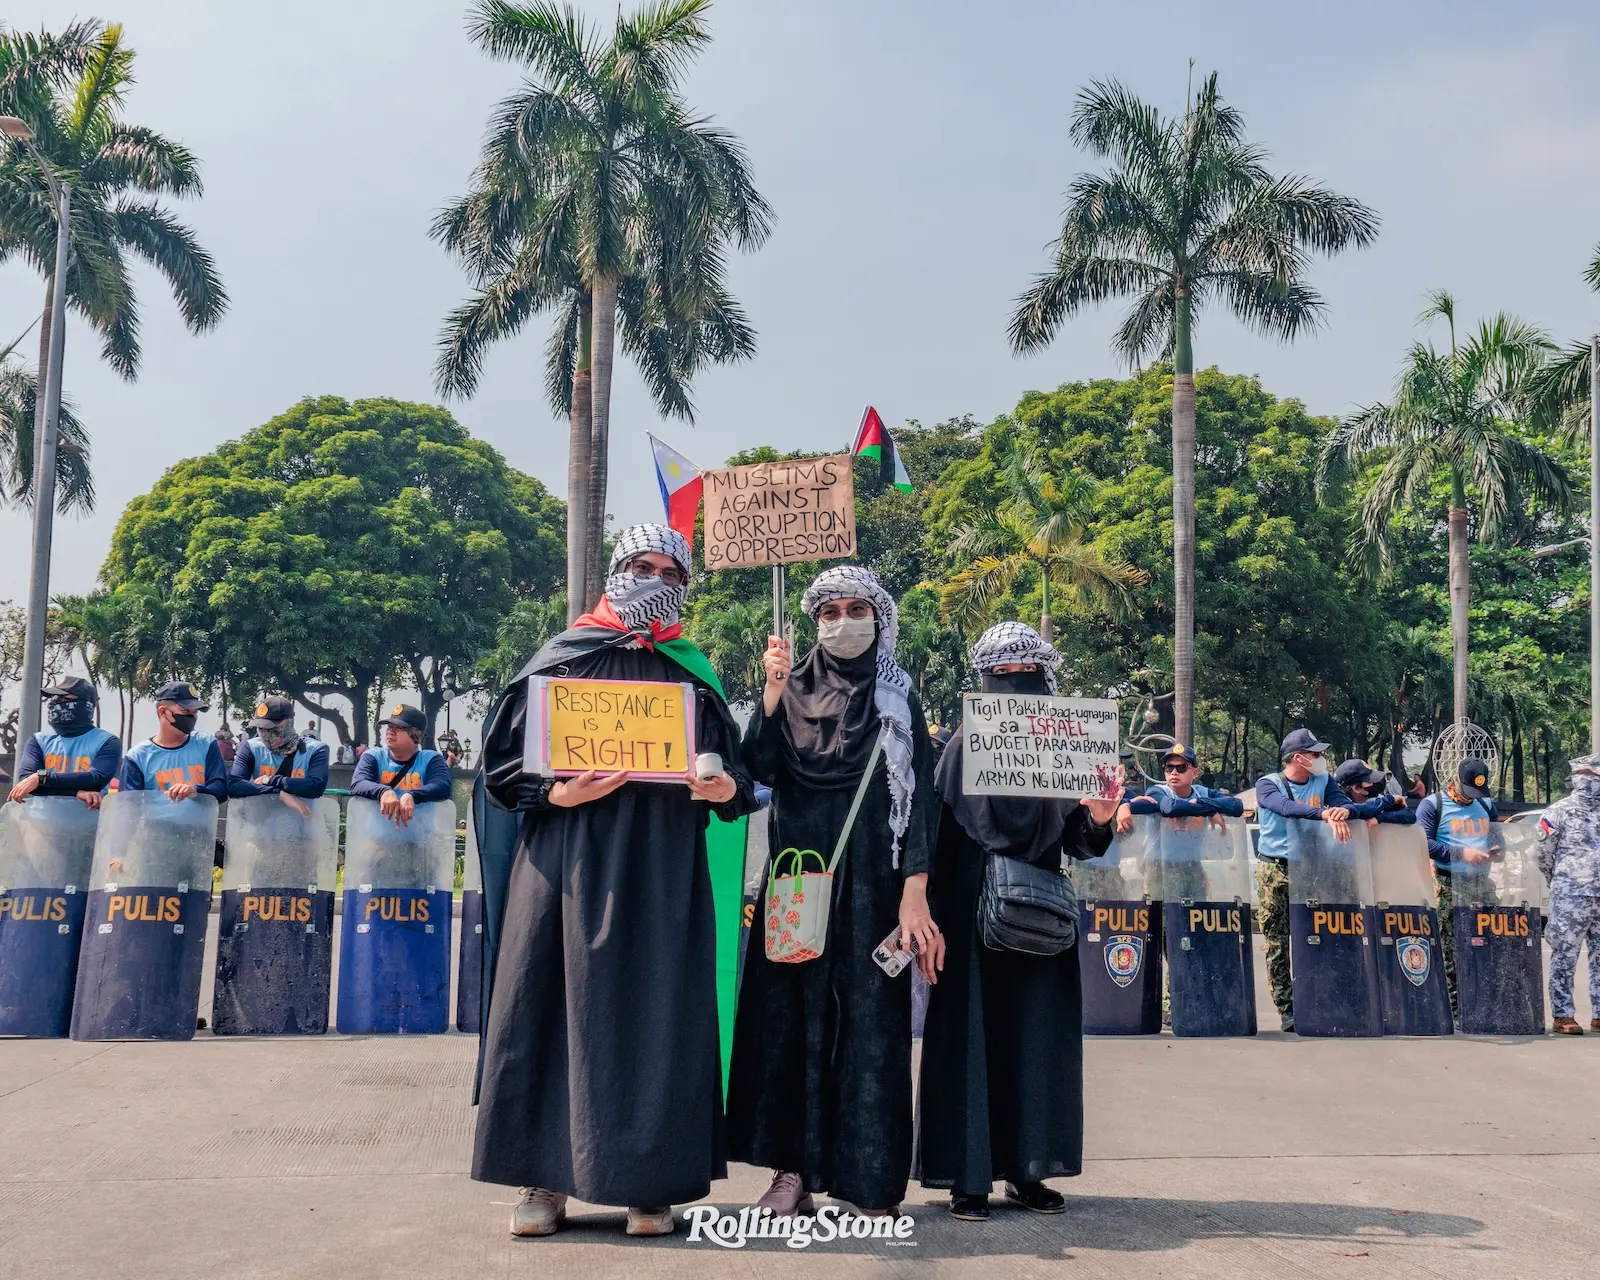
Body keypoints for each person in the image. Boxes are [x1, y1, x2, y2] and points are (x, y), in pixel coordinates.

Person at [471, 525, 756, 1239]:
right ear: (615, 572)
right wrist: (557, 795)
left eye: (670, 572)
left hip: (664, 874)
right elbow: (502, 769)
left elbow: (743, 783)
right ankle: (543, 1183)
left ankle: (650, 1188)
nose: (653, 579)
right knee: (549, 1010)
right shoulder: (561, 659)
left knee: (657, 1014)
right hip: (564, 866)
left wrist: (720, 788)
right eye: (640, 565)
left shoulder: (692, 672)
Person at [726, 565, 939, 1219]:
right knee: (790, 1027)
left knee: (871, 1034)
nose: (842, 621)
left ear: (879, 619)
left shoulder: (899, 702)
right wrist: (768, 691)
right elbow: (753, 771)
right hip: (798, 885)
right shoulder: (789, 690)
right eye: (828, 612)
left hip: (876, 891)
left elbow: (920, 804)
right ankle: (790, 1175)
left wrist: (915, 893)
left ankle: (867, 1179)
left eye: (855, 608)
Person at [916, 622, 1118, 1221]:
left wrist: (1101, 815)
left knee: (1038, 1039)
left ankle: (1029, 1170)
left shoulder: (1070, 744)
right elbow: (938, 834)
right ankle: (967, 1178)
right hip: (966, 912)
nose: (1011, 685)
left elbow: (1081, 840)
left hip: (1038, 909)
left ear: (1043, 676)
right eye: (999, 676)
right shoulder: (959, 746)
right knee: (970, 1037)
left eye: (1022, 674)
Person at [1253, 729, 1381, 1032]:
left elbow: (1347, 804)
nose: (1320, 759)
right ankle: (1288, 1008)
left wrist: (1341, 810)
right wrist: (1324, 815)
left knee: (1322, 934)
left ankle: (1322, 997)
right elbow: (1286, 809)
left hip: (1314, 868)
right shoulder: (1268, 784)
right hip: (1276, 870)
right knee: (1278, 941)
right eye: (1315, 754)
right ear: (1299, 758)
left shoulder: (1323, 782)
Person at [1416, 758, 1501, 1019]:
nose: (1473, 797)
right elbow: (1422, 843)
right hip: (1448, 882)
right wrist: (1461, 853)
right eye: (1470, 791)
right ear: (1456, 781)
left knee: (1491, 942)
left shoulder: (1485, 805)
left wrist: (1497, 851)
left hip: (1482, 883)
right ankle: (1453, 1006)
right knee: (1449, 947)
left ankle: (1484, 1001)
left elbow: (1498, 838)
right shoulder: (1433, 805)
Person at [1130, 743, 1245, 902]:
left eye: (1182, 768)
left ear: (1195, 772)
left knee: (1195, 919)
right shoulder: (1157, 791)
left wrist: (1200, 801)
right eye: (1169, 768)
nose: (1174, 773)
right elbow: (1170, 808)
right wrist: (1210, 809)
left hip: (1193, 866)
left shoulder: (1202, 792)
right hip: (1159, 867)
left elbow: (1236, 806)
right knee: (1161, 921)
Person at [1538, 755, 1600, 1035]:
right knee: (1564, 954)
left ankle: (1599, 1015)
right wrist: (1559, 880)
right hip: (1570, 896)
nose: (1591, 784)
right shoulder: (1558, 812)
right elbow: (1542, 854)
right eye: (1588, 777)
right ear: (1577, 779)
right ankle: (1563, 1016)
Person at [7, 677, 121, 809]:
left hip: (89, 825)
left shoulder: (107, 742)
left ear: (86, 705)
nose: (54, 703)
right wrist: (76, 792)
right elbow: (27, 782)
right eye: (54, 699)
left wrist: (41, 778)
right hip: (41, 825)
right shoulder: (38, 740)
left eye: (62, 699)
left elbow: (96, 778)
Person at [118, 681, 228, 802]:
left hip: (200, 821)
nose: (192, 717)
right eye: (186, 711)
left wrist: (197, 791)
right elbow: (128, 805)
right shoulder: (138, 756)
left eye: (195, 712)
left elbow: (220, 789)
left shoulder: (206, 744)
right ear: (163, 712)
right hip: (154, 821)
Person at [349, 704, 452, 825]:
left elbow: (443, 786)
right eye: (389, 727)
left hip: (421, 841)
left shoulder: (431, 759)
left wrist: (413, 796)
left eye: (398, 728)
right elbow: (358, 783)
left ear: (416, 735)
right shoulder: (373, 756)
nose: (390, 732)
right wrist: (383, 791)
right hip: (376, 841)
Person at [227, 696, 330, 800]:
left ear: (290, 723)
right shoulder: (252, 747)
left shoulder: (315, 749)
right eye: (261, 729)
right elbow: (233, 784)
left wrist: (270, 780)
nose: (267, 737)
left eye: (274, 730)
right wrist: (281, 794)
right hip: (261, 814)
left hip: (303, 814)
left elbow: (316, 787)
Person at [1334, 759, 1416, 825]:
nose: (1374, 784)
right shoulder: (1341, 808)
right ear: (1356, 788)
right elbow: (1363, 810)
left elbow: (1409, 815)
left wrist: (1380, 818)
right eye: (1369, 781)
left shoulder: (1379, 800)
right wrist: (1389, 800)